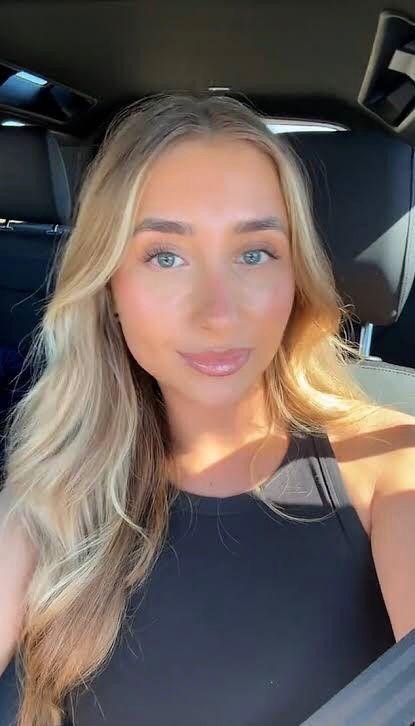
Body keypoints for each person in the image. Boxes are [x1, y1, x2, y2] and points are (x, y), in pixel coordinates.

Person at [0, 92, 414, 726]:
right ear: (109, 288)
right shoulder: (49, 495)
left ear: (295, 278)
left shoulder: (391, 468)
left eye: (255, 253)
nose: (217, 313)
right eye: (165, 257)